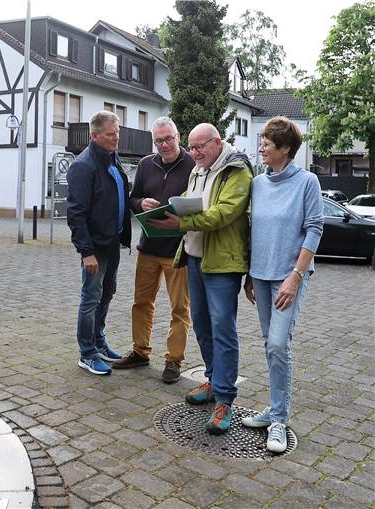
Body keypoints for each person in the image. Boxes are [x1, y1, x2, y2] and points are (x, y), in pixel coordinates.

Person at [148, 123, 252, 435]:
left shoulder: (237, 172)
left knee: (223, 330)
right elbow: (189, 198)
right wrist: (166, 207)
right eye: (191, 148)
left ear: (218, 142)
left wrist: (181, 222)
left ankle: (224, 399)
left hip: (222, 265)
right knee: (203, 327)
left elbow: (222, 214)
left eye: (199, 147)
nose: (193, 153)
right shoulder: (198, 170)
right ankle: (212, 380)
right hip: (195, 258)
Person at [242, 117, 323, 452]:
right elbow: (255, 230)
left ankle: (279, 419)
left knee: (278, 344)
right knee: (268, 344)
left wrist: (296, 276)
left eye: (266, 142)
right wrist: (249, 273)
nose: (261, 146)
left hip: (289, 277)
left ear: (286, 148)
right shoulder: (259, 183)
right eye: (260, 140)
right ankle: (274, 408)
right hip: (260, 275)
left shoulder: (307, 182)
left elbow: (315, 229)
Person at [112, 117, 194, 383]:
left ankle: (173, 360)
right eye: (158, 140)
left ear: (178, 136)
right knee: (141, 303)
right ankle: (140, 351)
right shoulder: (147, 164)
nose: (164, 144)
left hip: (179, 250)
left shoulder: (193, 165)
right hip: (148, 247)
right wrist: (140, 204)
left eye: (168, 138)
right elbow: (132, 198)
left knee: (180, 308)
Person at [66, 111, 132, 376]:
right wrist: (86, 252)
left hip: (112, 243)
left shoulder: (112, 159)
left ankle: (99, 341)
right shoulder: (84, 166)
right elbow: (76, 213)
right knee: (91, 298)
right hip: (95, 248)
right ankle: (87, 353)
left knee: (107, 293)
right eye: (110, 134)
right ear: (94, 135)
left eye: (117, 133)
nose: (116, 138)